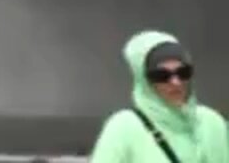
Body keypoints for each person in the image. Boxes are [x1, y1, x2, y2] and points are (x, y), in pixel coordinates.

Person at [90, 30, 229, 163]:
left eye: (183, 72)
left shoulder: (212, 123)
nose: (175, 82)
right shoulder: (124, 127)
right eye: (162, 76)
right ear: (145, 81)